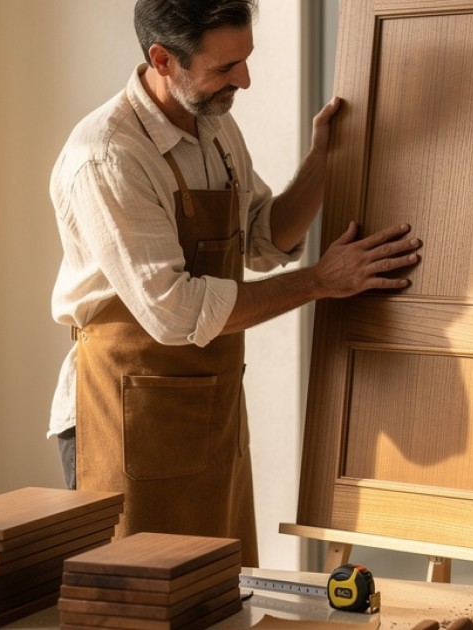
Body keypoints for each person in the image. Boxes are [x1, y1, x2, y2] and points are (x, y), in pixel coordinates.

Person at [46, 0, 421, 566]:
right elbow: (174, 313)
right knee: (134, 599)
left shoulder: (215, 126)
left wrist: (326, 156)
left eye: (244, 61)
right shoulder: (108, 156)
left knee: (220, 594)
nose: (243, 79)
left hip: (210, 404)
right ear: (162, 59)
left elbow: (264, 237)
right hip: (124, 415)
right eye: (225, 68)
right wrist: (320, 281)